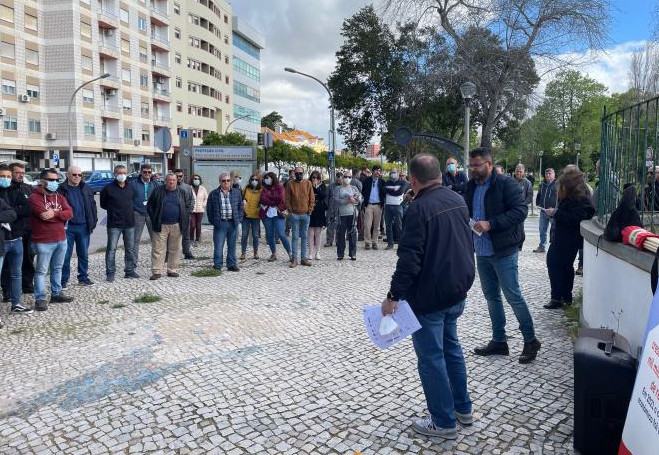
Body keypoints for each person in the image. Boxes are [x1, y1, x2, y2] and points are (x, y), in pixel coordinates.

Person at [382, 154, 475, 440]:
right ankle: (463, 408)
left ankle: (443, 421)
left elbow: (409, 260)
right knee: (452, 349)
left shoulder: (418, 210)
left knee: (432, 357)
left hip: (430, 297)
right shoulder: (457, 199)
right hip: (456, 289)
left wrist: (393, 296)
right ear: (440, 174)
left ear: (412, 180)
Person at [465, 148, 541, 364]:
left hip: (503, 250)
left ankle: (530, 340)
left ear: (489, 164)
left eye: (477, 165)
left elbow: (520, 211)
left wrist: (492, 223)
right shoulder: (471, 186)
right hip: (481, 250)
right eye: (471, 165)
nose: (473, 169)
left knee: (513, 295)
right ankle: (499, 341)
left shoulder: (506, 184)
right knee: (492, 297)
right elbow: (466, 209)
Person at [544, 167, 595, 308]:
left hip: (569, 238)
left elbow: (577, 217)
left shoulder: (581, 197)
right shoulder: (575, 194)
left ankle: (559, 297)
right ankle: (563, 297)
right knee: (561, 266)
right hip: (564, 236)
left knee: (556, 264)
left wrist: (556, 212)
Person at [29, 169, 73, 311]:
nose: (54, 183)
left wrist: (54, 213)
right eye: (51, 180)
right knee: (41, 271)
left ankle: (56, 293)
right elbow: (43, 216)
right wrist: (60, 215)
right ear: (42, 181)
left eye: (56, 180)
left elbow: (70, 213)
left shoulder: (59, 197)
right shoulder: (35, 198)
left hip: (61, 239)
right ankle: (40, 299)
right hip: (43, 240)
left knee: (57, 268)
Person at [58, 166, 97, 288]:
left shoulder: (86, 188)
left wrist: (94, 221)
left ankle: (83, 277)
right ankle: (63, 280)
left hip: (83, 226)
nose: (77, 177)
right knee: (65, 255)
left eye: (80, 175)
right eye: (74, 175)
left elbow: (93, 206)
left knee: (83, 254)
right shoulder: (61, 190)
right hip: (67, 227)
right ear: (68, 175)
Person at [147, 173, 189, 280]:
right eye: (169, 180)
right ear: (165, 181)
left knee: (175, 248)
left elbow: (187, 206)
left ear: (176, 181)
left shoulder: (182, 192)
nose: (171, 182)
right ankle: (156, 271)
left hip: (177, 224)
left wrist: (185, 216)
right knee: (158, 248)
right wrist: (154, 218)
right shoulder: (158, 191)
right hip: (161, 225)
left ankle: (172, 270)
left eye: (173, 180)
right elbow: (150, 206)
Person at [100, 165, 138, 282]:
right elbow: (103, 204)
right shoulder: (107, 189)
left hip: (129, 223)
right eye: (119, 172)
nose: (122, 175)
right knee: (111, 249)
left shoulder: (131, 187)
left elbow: (133, 201)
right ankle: (110, 273)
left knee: (130, 248)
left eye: (124, 172)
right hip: (114, 224)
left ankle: (130, 271)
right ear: (114, 174)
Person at [0, 164, 28, 314]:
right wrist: (10, 213)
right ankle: (7, 295)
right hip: (1, 241)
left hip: (16, 238)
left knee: (16, 273)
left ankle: (16, 303)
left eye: (8, 176)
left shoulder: (16, 190)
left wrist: (11, 212)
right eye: (2, 176)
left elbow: (24, 210)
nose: (6, 179)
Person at [6, 163, 34, 294]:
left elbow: (30, 209)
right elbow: (7, 213)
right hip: (10, 232)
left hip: (28, 231)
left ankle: (27, 285)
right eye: (18, 173)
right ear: (11, 174)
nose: (21, 175)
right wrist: (19, 211)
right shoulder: (6, 189)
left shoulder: (28, 188)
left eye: (22, 172)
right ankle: (8, 291)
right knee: (9, 263)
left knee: (28, 259)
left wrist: (16, 211)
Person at [207, 172, 243, 271]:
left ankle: (231, 264)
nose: (226, 182)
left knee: (232, 246)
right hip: (220, 223)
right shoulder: (214, 194)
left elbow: (240, 206)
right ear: (220, 182)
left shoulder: (236, 192)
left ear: (230, 181)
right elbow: (209, 209)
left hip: (233, 222)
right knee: (218, 246)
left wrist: (239, 219)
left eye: (228, 180)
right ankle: (217, 265)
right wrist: (213, 221)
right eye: (223, 181)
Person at [285, 166, 314, 268]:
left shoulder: (308, 183)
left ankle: (303, 258)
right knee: (295, 237)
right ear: (294, 174)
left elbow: (312, 198)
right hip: (295, 215)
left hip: (305, 214)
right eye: (297, 173)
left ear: (303, 173)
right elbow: (287, 199)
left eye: (301, 173)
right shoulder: (290, 184)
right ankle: (294, 259)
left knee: (304, 237)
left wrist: (310, 210)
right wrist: (290, 211)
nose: (299, 175)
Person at [129, 164, 158, 263]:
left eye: (149, 172)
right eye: (145, 172)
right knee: (135, 240)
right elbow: (129, 198)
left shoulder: (155, 184)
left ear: (151, 173)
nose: (147, 174)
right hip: (137, 213)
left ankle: (157, 262)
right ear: (141, 172)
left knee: (155, 240)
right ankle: (133, 263)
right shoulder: (133, 184)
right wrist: (133, 209)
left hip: (151, 215)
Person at [259, 172, 292, 262]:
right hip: (267, 214)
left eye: (268, 178)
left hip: (278, 214)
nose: (266, 179)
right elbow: (262, 199)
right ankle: (274, 253)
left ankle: (290, 253)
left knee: (281, 234)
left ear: (273, 178)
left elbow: (280, 198)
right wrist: (272, 200)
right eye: (265, 178)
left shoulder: (280, 187)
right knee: (269, 235)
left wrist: (269, 199)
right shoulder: (263, 188)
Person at [334, 173, 362, 260]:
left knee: (352, 234)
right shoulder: (338, 188)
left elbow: (360, 199)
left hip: (352, 215)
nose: (347, 178)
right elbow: (336, 200)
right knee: (341, 235)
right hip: (341, 215)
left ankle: (353, 254)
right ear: (342, 178)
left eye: (349, 177)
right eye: (345, 176)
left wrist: (355, 200)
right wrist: (347, 201)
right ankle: (340, 254)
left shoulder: (354, 188)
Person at [361, 165, 386, 250]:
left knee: (377, 225)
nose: (378, 172)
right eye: (376, 170)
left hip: (378, 205)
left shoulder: (382, 182)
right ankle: (367, 242)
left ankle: (375, 242)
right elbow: (363, 191)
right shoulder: (367, 181)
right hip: (369, 205)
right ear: (373, 171)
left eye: (379, 170)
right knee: (367, 225)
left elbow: (384, 193)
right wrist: (365, 203)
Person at [534, 168, 557, 253]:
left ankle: (554, 246)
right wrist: (538, 203)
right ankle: (542, 246)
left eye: (550, 173)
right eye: (546, 173)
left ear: (554, 175)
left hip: (553, 212)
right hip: (543, 211)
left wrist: (555, 209)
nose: (548, 175)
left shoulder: (557, 185)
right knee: (542, 229)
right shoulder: (542, 185)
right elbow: (539, 195)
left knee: (554, 230)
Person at [384, 169, 408, 250]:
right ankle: (390, 244)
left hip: (398, 206)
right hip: (388, 206)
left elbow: (400, 192)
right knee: (388, 225)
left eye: (394, 172)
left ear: (397, 174)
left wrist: (389, 190)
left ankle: (401, 244)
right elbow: (384, 190)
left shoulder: (403, 182)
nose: (393, 174)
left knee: (399, 225)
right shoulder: (387, 182)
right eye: (391, 172)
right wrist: (394, 189)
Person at [173, 169, 195, 259]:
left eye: (180, 176)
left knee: (186, 234)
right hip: (173, 215)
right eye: (177, 176)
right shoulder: (169, 186)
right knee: (172, 235)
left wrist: (189, 211)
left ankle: (187, 252)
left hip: (185, 215)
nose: (179, 178)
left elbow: (192, 200)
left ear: (183, 176)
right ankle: (172, 253)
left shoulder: (187, 187)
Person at [240, 173, 261, 260]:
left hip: (256, 216)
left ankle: (255, 252)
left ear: (259, 181)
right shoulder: (246, 189)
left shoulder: (261, 190)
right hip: (246, 215)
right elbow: (241, 200)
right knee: (244, 235)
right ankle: (243, 253)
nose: (254, 181)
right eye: (252, 179)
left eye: (256, 180)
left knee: (255, 235)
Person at [308, 171, 327, 260]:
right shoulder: (308, 185)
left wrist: (316, 188)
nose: (316, 179)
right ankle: (310, 252)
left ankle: (317, 252)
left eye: (318, 178)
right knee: (311, 232)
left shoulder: (323, 186)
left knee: (318, 233)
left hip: (320, 210)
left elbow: (323, 196)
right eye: (314, 177)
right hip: (310, 210)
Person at [514, 164, 533, 251]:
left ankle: (519, 244)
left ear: (523, 172)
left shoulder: (527, 183)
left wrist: (523, 204)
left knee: (520, 227)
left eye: (520, 171)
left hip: (521, 209)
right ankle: (512, 243)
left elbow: (529, 196)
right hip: (511, 208)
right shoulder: (510, 180)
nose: (518, 173)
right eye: (517, 171)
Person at [190, 174, 208, 246]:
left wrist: (203, 205)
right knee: (192, 225)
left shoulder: (202, 188)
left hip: (200, 209)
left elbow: (206, 198)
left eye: (198, 179)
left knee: (198, 225)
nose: (196, 180)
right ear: (192, 180)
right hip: (192, 210)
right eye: (195, 179)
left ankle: (197, 239)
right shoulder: (189, 188)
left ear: (200, 180)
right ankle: (191, 239)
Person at [324, 178, 341, 247]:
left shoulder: (343, 187)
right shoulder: (330, 186)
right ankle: (329, 240)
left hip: (340, 209)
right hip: (331, 209)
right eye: (338, 179)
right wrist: (328, 206)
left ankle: (338, 241)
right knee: (330, 225)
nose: (340, 180)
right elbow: (326, 197)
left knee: (339, 225)